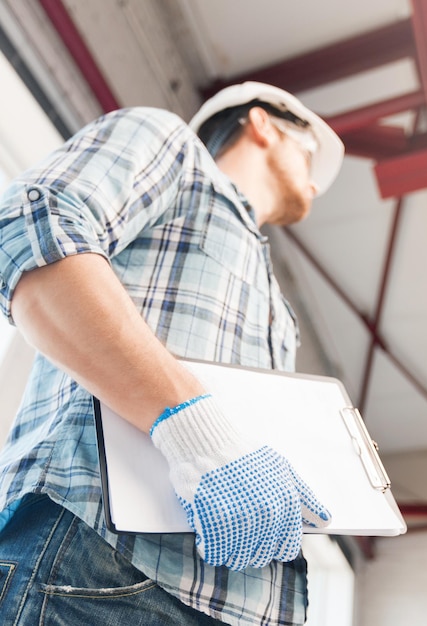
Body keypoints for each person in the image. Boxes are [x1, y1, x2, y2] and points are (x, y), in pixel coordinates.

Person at [0, 81, 344, 625]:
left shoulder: (277, 303)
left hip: (230, 604)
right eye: (308, 151)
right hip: (99, 569)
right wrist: (197, 435)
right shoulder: (174, 148)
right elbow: (31, 233)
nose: (317, 184)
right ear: (262, 124)